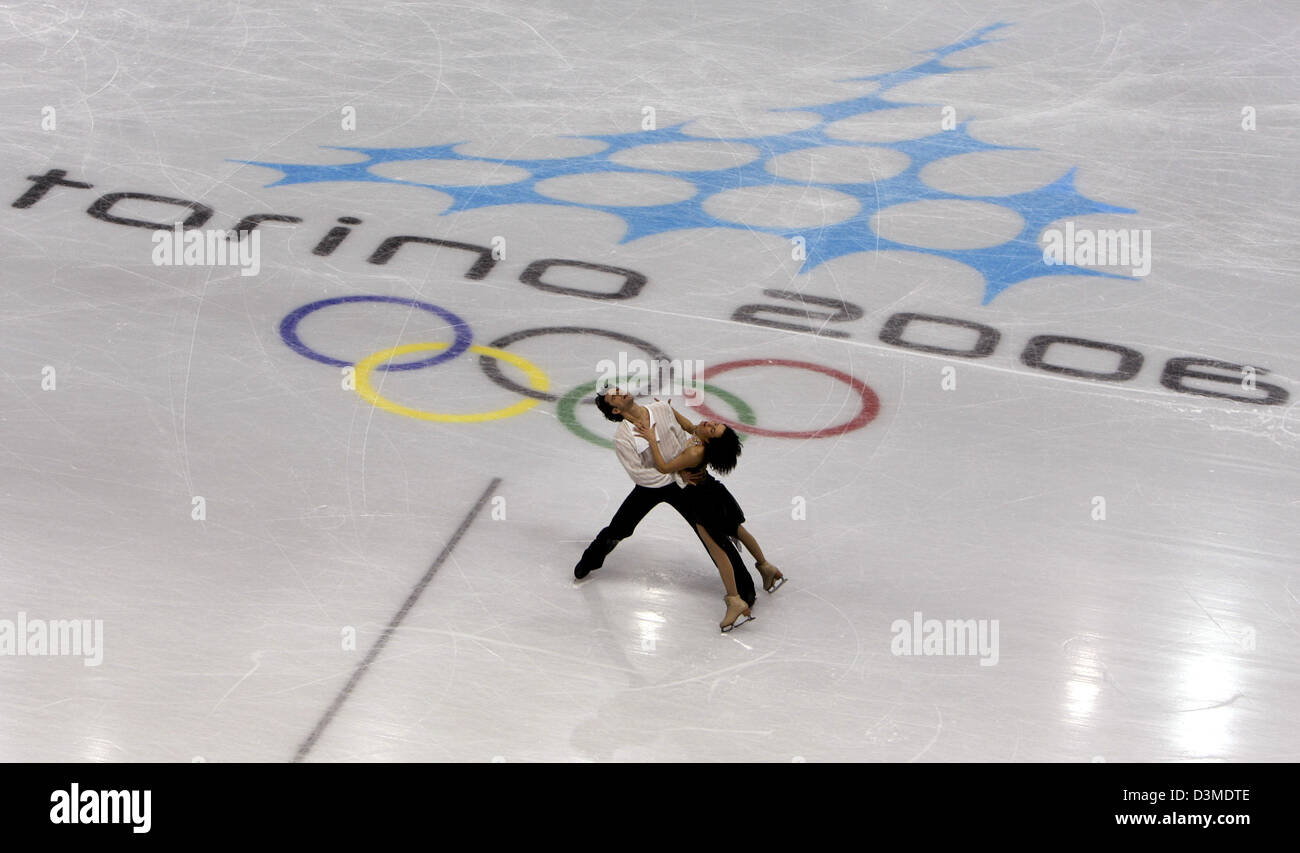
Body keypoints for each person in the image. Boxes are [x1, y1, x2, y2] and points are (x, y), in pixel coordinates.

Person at [574, 388, 758, 631]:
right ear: (617, 410)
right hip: (653, 486)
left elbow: (685, 437)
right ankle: (593, 558)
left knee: (712, 535)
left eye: (618, 390)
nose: (620, 392)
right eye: (614, 397)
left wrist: (688, 467)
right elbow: (639, 473)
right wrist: (676, 471)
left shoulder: (660, 409)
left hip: (685, 483)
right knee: (621, 527)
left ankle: (744, 591)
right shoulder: (623, 437)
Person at [632, 406, 786, 598]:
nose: (710, 423)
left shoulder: (695, 453)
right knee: (738, 530)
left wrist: (650, 439)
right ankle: (765, 566)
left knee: (717, 550)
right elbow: (689, 425)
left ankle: (734, 599)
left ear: (708, 441)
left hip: (702, 501)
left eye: (713, 429)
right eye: (715, 424)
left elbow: (663, 467)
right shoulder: (700, 437)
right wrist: (669, 410)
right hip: (714, 491)